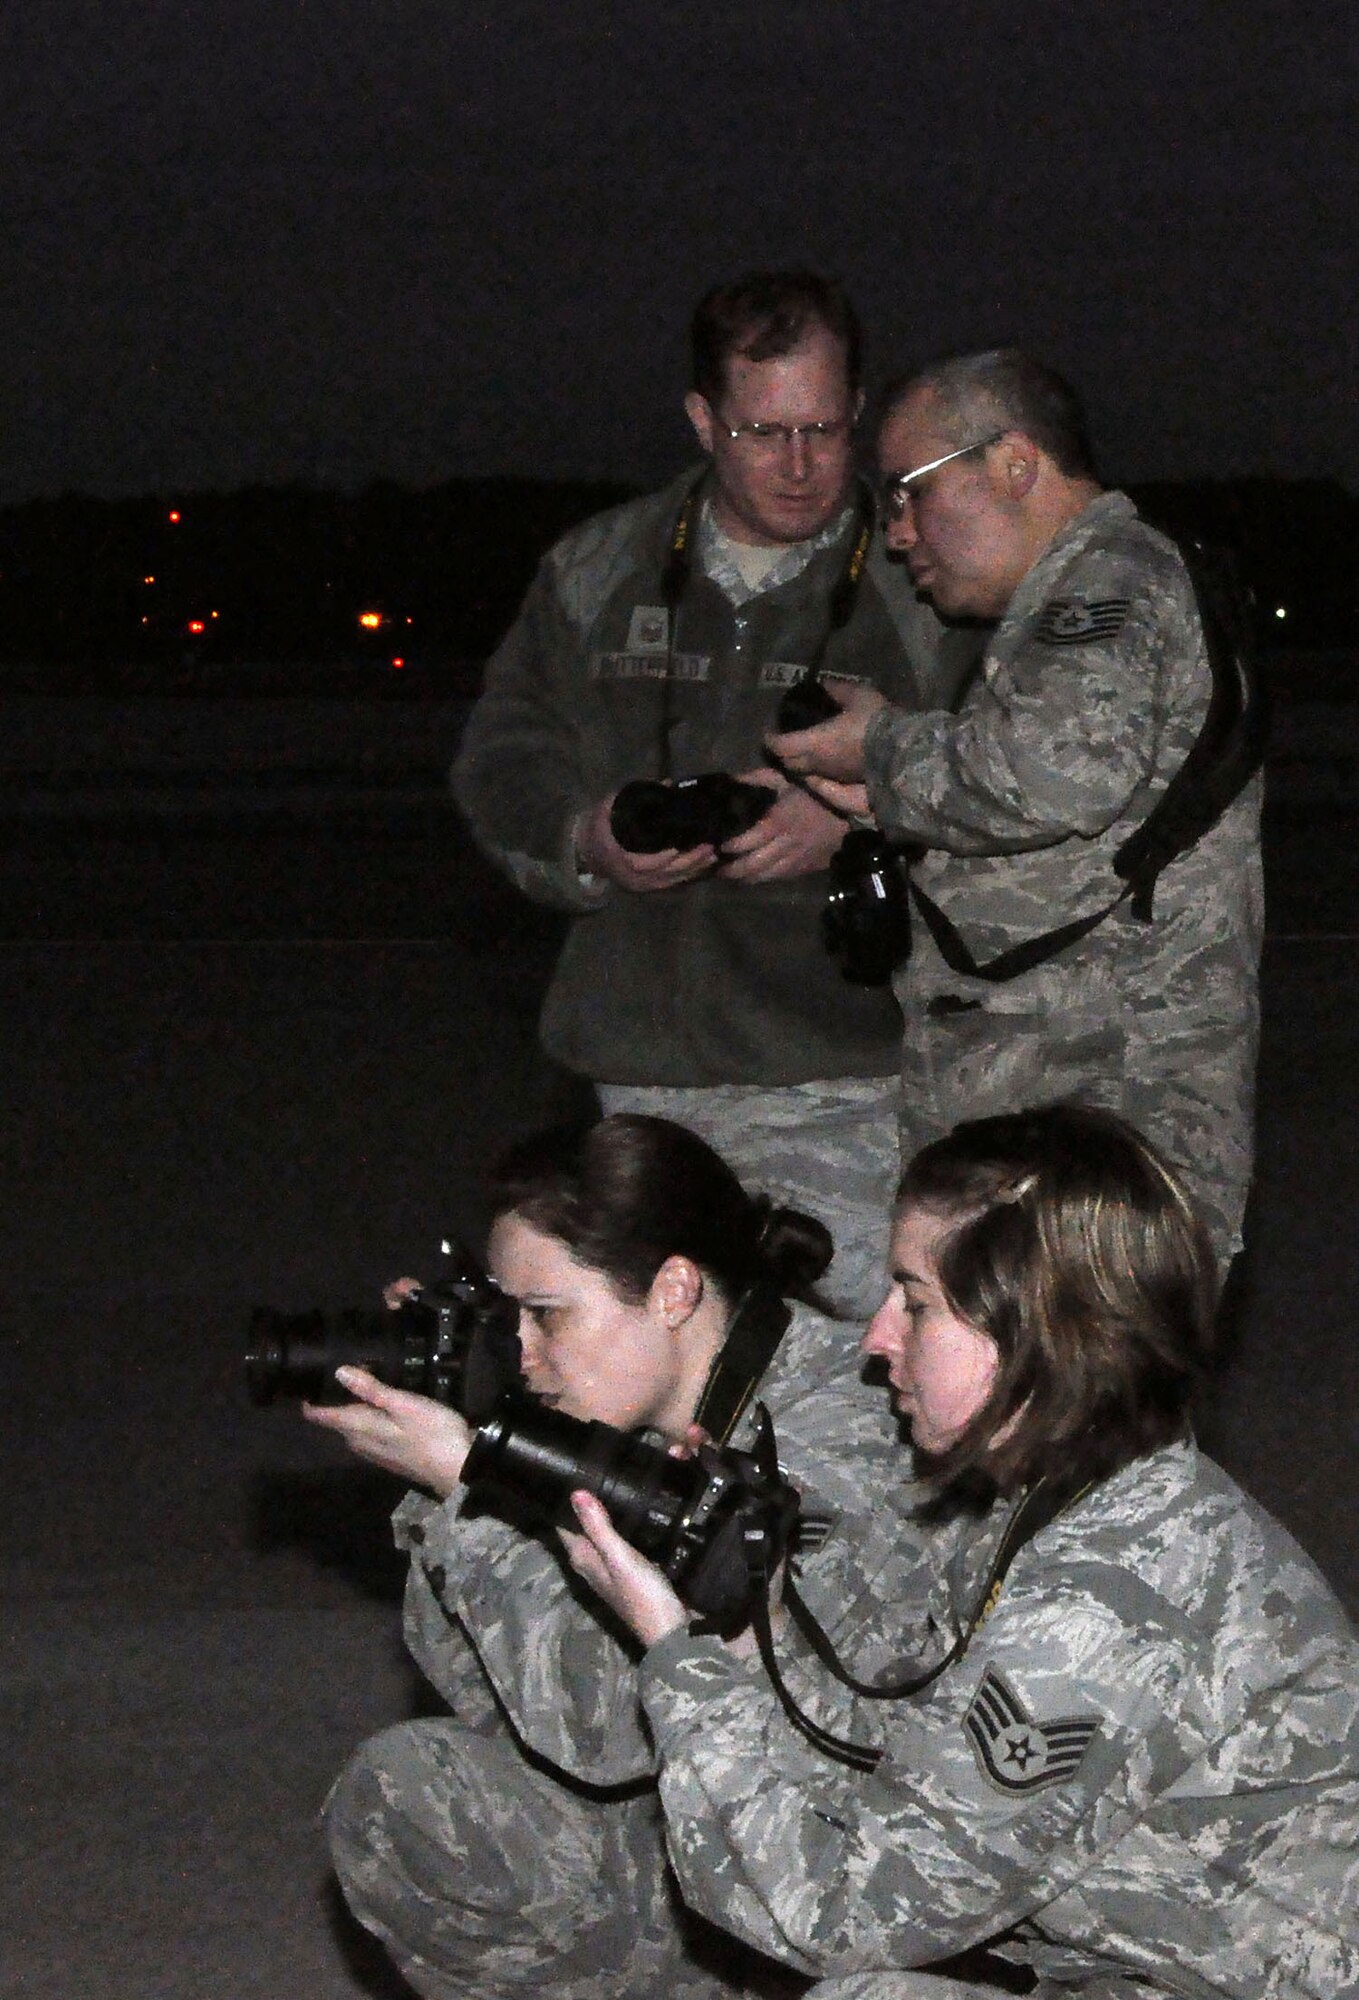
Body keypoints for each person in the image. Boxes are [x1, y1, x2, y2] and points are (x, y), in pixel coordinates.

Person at [568, 1102, 1359, 1999]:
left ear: (1036, 1327)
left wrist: (673, 1657)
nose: (876, 1338)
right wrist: (757, 1627)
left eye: (914, 1301)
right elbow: (909, 1759)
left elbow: (842, 1914)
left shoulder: (1115, 1593)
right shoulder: (1055, 1500)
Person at [451, 272, 977, 1316]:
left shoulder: (930, 578)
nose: (797, 465)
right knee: (662, 1387)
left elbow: (1017, 777)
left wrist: (857, 817)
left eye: (824, 430)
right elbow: (502, 752)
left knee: (870, 1370)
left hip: (856, 1071)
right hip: (643, 1070)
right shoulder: (600, 567)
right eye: (762, 431)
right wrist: (587, 836)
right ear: (702, 419)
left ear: (859, 410)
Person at [308, 1113, 909, 2000]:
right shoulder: (646, 1415)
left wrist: (469, 1492)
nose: (521, 1350)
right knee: (413, 1797)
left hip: (856, 1889)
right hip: (722, 1839)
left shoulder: (831, 1447)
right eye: (507, 1315)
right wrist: (473, 1440)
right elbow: (491, 1705)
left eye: (545, 1314)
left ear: (673, 1291)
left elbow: (600, 1735)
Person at [768, 349, 1264, 1270]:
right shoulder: (1084, 589)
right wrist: (883, 799)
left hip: (1101, 1116)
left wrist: (880, 748)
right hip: (1059, 1116)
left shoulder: (1107, 582)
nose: (899, 533)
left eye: (910, 493)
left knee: (1078, 1401)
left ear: (1014, 465)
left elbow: (1054, 774)